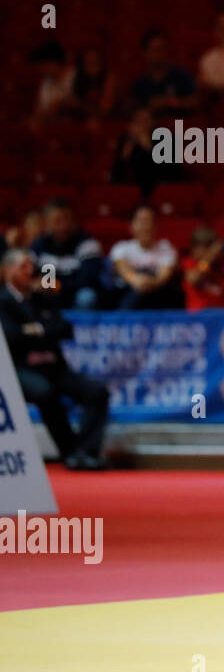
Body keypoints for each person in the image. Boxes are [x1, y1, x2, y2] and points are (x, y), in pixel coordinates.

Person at [0, 249, 110, 470]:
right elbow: (12, 337)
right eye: (23, 266)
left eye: (31, 265)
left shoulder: (43, 297)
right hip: (19, 370)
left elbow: (65, 329)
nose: (30, 271)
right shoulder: (3, 301)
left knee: (97, 391)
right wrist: (42, 332)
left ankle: (86, 452)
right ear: (6, 271)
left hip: (54, 367)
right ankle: (70, 451)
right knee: (45, 392)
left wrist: (36, 331)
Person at [29, 199, 105, 310]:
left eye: (67, 219)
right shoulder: (39, 244)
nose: (64, 226)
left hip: (76, 292)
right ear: (47, 222)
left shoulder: (87, 243)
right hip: (47, 293)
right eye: (57, 221)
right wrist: (35, 283)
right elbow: (29, 272)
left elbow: (88, 279)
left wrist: (58, 285)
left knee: (87, 296)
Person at [106, 205, 180, 309]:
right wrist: (138, 281)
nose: (145, 227)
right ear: (131, 226)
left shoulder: (166, 248)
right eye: (141, 221)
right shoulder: (121, 248)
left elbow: (163, 278)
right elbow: (127, 274)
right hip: (129, 293)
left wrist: (148, 283)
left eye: (149, 221)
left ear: (156, 226)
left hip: (157, 293)